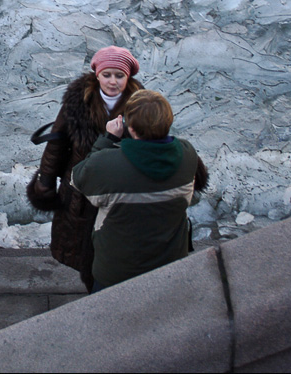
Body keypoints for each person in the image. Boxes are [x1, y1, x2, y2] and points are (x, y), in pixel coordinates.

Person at [27, 45, 143, 292]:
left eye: (119, 75)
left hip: (119, 189)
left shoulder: (140, 103)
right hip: (81, 187)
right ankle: (97, 294)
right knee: (84, 247)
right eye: (107, 75)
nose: (113, 82)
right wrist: (45, 181)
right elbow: (57, 143)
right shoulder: (77, 101)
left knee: (112, 247)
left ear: (128, 77)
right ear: (97, 75)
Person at [71, 89, 208, 292]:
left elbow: (77, 179)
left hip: (115, 272)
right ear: (168, 122)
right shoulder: (187, 154)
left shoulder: (107, 164)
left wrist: (107, 139)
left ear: (131, 127)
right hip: (171, 265)